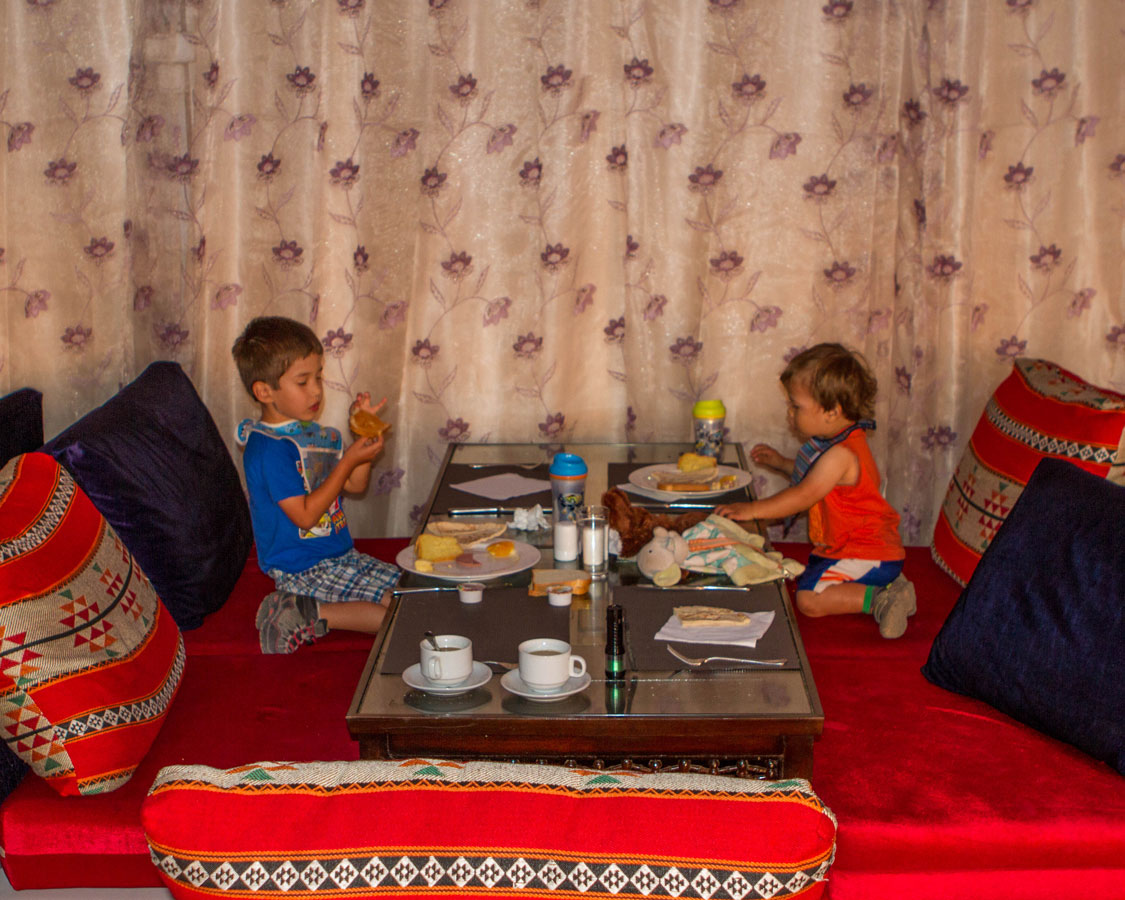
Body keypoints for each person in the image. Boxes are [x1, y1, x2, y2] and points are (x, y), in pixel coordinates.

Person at [715, 343, 916, 638]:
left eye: (796, 406)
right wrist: (782, 464)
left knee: (808, 600)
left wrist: (752, 509)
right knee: (803, 575)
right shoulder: (840, 445)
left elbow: (804, 495)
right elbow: (817, 481)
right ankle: (888, 583)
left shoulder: (840, 455)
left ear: (832, 411)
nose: (790, 413)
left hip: (866, 552)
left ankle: (881, 599)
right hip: (853, 549)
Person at [231, 316, 399, 653]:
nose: (317, 390)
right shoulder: (268, 449)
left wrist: (361, 443)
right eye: (303, 381)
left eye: (319, 377)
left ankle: (314, 609)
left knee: (411, 595)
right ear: (264, 391)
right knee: (395, 619)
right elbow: (305, 517)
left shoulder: (311, 435)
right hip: (301, 569)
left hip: (341, 556)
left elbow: (354, 485)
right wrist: (348, 460)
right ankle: (301, 610)